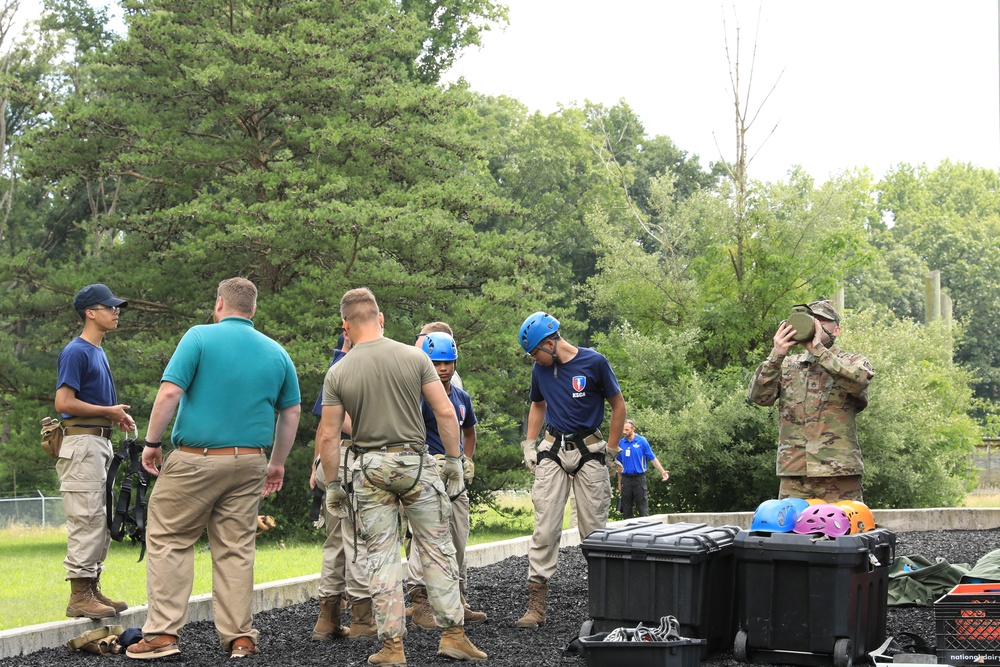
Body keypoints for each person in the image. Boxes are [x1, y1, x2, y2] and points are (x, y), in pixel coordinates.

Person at [126, 278, 301, 660]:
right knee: (236, 549)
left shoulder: (198, 337)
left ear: (219, 303)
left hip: (196, 459)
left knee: (170, 539)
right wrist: (277, 463)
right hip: (250, 461)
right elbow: (291, 411)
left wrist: (152, 443)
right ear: (252, 309)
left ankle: (162, 636)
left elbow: (170, 392)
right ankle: (240, 638)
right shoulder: (276, 352)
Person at [317, 287, 486, 665]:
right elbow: (445, 413)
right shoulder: (415, 357)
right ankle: (454, 636)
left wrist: (332, 486)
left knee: (381, 558)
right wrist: (456, 461)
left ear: (345, 326)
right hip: (416, 464)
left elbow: (329, 435)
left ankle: (392, 647)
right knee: (438, 550)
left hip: (369, 469)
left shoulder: (339, 371)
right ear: (380, 319)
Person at [516, 311, 627, 629]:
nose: (533, 359)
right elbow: (538, 405)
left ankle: (603, 606)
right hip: (552, 448)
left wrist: (612, 450)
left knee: (594, 532)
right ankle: (536, 606)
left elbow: (618, 406)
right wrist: (529, 443)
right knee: (546, 527)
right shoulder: (541, 369)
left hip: (590, 450)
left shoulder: (594, 363)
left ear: (550, 344)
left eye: (535, 352)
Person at [55, 283, 136, 619]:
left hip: (96, 444)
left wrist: (113, 415)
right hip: (81, 445)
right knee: (87, 518)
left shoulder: (97, 352)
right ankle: (79, 595)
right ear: (90, 312)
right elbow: (64, 402)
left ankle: (91, 587)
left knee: (99, 519)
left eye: (116, 307)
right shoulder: (76, 351)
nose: (116, 312)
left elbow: (91, 403)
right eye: (109, 307)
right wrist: (109, 412)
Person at [748, 299, 874, 503]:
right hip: (795, 474)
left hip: (839, 473)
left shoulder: (852, 362)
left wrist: (819, 351)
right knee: (789, 533)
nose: (815, 325)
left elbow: (859, 381)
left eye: (822, 321)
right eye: (811, 320)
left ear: (837, 330)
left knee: (843, 531)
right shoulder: (787, 365)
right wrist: (776, 356)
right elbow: (759, 397)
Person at [407, 332, 487, 630]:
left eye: (448, 362)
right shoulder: (418, 395)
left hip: (455, 479)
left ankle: (457, 600)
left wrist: (466, 459)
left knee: (458, 537)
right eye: (437, 362)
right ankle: (420, 602)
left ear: (455, 363)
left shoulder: (461, 396)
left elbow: (469, 430)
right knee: (423, 537)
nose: (443, 368)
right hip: (427, 474)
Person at [308, 331, 375, 642]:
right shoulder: (354, 365)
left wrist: (317, 465)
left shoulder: (337, 365)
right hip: (350, 458)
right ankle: (362, 620)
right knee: (357, 539)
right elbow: (341, 422)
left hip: (332, 460)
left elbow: (324, 424)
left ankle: (327, 619)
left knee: (335, 541)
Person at [615, 419, 669, 519]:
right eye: (623, 430)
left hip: (639, 478)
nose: (624, 432)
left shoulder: (642, 441)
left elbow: (652, 458)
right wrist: (619, 481)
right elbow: (619, 465)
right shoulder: (621, 443)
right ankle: (628, 532)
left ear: (633, 429)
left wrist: (662, 471)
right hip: (626, 479)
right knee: (626, 508)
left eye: (627, 430)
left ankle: (645, 530)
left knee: (642, 507)